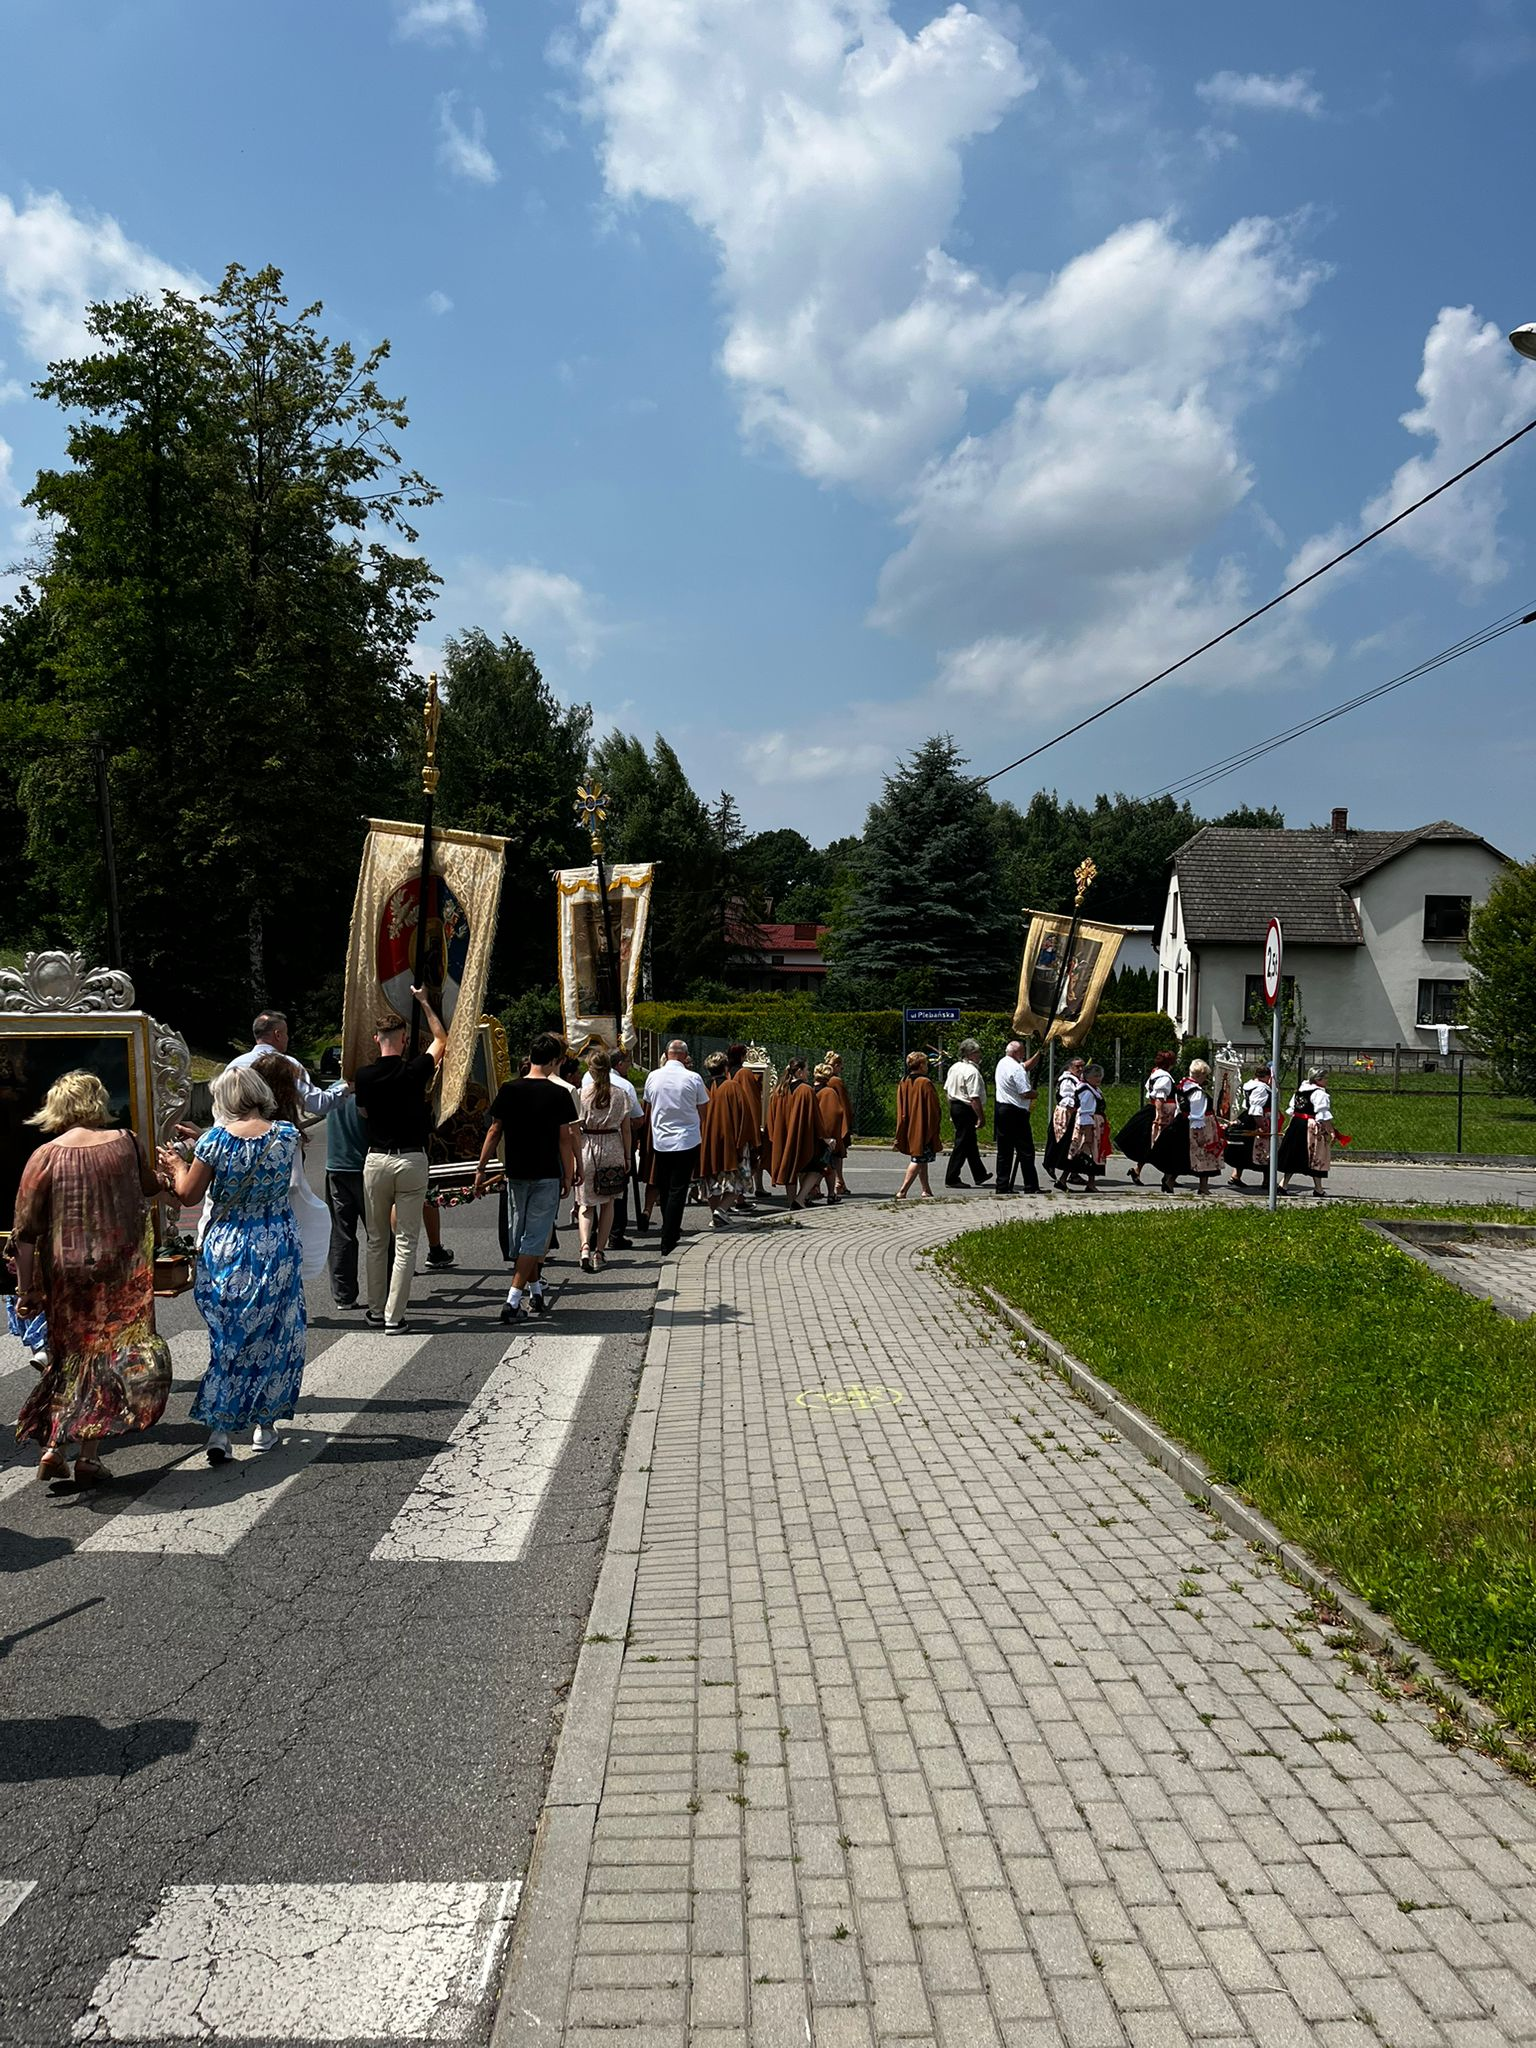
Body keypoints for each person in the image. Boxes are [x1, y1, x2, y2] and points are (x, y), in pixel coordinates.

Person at [12, 1070, 171, 1483]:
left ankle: (52, 1447)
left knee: (69, 1357)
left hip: (67, 1273)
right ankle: (88, 1455)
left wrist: (25, 1289)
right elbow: (151, 1186)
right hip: (121, 1271)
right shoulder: (126, 1142)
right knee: (109, 1358)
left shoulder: (44, 1155)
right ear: (97, 1102)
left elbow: (26, 1233)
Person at [159, 1063, 305, 1463]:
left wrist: (176, 1165)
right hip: (277, 1244)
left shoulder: (215, 1142)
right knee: (276, 1333)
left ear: (223, 1100)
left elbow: (188, 1195)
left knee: (229, 1338)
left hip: (229, 1247)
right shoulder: (287, 1136)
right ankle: (265, 1426)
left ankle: (221, 1429)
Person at [354, 987, 448, 1333]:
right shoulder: (415, 1070)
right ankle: (395, 1316)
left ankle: (376, 1310)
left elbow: (363, 1111)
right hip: (411, 1160)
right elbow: (441, 1039)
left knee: (377, 1240)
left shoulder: (364, 1076)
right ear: (405, 1041)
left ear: (377, 1038)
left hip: (377, 1159)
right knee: (407, 1240)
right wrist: (423, 1001)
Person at [475, 1032, 580, 1320]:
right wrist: (569, 1175)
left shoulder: (509, 1090)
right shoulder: (559, 1094)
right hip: (546, 1171)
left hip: (516, 1172)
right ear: (555, 1061)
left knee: (522, 1236)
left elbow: (494, 1131)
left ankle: (535, 1292)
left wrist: (481, 1168)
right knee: (533, 1238)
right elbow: (564, 1139)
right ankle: (512, 1301)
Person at [252, 1053, 332, 1282]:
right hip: (276, 1225)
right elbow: (294, 1184)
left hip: (242, 1227)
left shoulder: (235, 1126)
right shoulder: (285, 1132)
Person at [643, 1040, 712, 1253]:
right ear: (684, 1056)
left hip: (661, 1139)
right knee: (678, 1189)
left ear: (667, 1054)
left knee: (664, 1187)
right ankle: (669, 1235)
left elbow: (649, 1101)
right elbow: (703, 1109)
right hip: (686, 1139)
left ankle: (669, 1229)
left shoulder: (653, 1076)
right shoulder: (693, 1078)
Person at [227, 1009, 349, 1119]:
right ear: (278, 1035)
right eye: (286, 1033)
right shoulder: (288, 1064)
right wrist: (345, 1088)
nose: (287, 1038)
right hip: (274, 1136)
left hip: (234, 1137)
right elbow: (317, 1104)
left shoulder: (233, 1066)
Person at [578, 1050, 632, 1269]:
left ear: (590, 1070)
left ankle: (584, 1247)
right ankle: (599, 1252)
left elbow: (574, 1128)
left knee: (585, 1203)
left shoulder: (581, 1094)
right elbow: (626, 1130)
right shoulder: (621, 1094)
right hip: (612, 1147)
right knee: (608, 1203)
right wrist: (628, 1155)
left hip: (588, 1147)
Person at [1152, 1058, 1225, 1197]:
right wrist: (1200, 1133)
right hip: (1198, 1125)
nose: (1206, 1078)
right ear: (1200, 1075)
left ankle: (1171, 1180)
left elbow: (1180, 1107)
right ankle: (1202, 1187)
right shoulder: (1197, 1092)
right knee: (1204, 1154)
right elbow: (1198, 1114)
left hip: (1182, 1122)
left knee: (1182, 1156)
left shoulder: (1183, 1085)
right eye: (1205, 1075)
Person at [324, 1089, 366, 1309]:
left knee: (341, 1233)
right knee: (379, 1235)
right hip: (365, 1166)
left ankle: (344, 1294)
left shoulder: (334, 1091)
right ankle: (386, 1289)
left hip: (336, 1167)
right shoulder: (369, 1087)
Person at [699, 1051, 747, 1228]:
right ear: (726, 1067)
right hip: (728, 1141)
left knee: (711, 1179)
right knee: (737, 1179)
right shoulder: (732, 1086)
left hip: (705, 1140)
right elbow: (743, 1114)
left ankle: (715, 1215)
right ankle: (722, 1210)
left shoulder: (701, 1085)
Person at [1116, 1052, 1177, 1186]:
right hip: (1161, 1113)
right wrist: (1160, 1116)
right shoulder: (1164, 1078)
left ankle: (1138, 1170)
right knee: (1164, 1144)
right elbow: (1160, 1098)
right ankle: (1168, 1176)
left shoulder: (1155, 1073)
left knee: (1148, 1144)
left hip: (1153, 1110)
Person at [768, 1059, 822, 1210]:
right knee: (818, 1168)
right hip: (801, 1137)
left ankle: (792, 1202)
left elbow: (771, 1116)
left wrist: (775, 1136)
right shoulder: (806, 1090)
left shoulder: (779, 1090)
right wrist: (824, 1136)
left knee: (790, 1169)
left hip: (783, 1137)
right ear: (799, 1072)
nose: (808, 1073)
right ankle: (799, 1198)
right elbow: (815, 1116)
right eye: (807, 1069)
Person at [991, 1040, 1042, 1196]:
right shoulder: (1016, 1069)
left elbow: (1025, 1066)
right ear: (1016, 1053)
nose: (1023, 1054)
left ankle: (1002, 1185)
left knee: (1004, 1151)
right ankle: (1030, 1185)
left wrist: (1039, 1055)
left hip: (1001, 1109)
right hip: (1016, 1112)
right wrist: (1035, 1093)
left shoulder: (1003, 1062)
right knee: (1026, 1150)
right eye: (1022, 1052)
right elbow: (1025, 1093)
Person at [894, 1052, 944, 1200]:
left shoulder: (904, 1081)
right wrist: (934, 1126)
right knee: (917, 1159)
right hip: (922, 1127)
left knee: (922, 1159)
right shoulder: (925, 1083)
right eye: (926, 1064)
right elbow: (933, 1108)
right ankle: (902, 1191)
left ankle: (926, 1189)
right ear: (921, 1065)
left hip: (909, 1125)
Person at [1279, 1067, 1335, 1197]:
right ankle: (1318, 1189)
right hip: (1311, 1126)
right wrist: (1330, 1130)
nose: (1327, 1081)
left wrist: (1289, 1125)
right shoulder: (1319, 1094)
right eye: (1325, 1078)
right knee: (1316, 1156)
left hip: (1296, 1124)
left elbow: (1293, 1110)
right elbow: (1323, 1115)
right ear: (1318, 1079)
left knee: (1295, 1154)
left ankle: (1284, 1184)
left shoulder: (1300, 1090)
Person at [943, 1039, 990, 1190]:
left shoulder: (954, 1067)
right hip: (966, 1109)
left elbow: (948, 1091)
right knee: (962, 1143)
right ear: (971, 1054)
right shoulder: (972, 1072)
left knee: (969, 1142)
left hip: (956, 1106)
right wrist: (981, 1117)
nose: (980, 1055)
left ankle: (979, 1173)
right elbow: (974, 1097)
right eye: (977, 1052)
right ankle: (952, 1177)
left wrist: (951, 1111)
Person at [1061, 1063, 1109, 1191]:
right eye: (1095, 1076)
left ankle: (1087, 1183)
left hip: (1094, 1125)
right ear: (1087, 1077)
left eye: (1099, 1076)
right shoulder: (1087, 1091)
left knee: (1087, 1154)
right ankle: (1069, 1180)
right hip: (1089, 1126)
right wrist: (1088, 1132)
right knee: (1086, 1154)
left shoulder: (1092, 1089)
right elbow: (1085, 1112)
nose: (1098, 1078)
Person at [1227, 1064, 1274, 1189]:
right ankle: (1266, 1181)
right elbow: (1256, 1109)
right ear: (1267, 1076)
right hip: (1259, 1118)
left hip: (1247, 1116)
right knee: (1264, 1149)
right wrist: (1262, 1125)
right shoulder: (1261, 1088)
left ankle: (1236, 1175)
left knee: (1246, 1148)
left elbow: (1246, 1104)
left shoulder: (1250, 1085)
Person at [1043, 1057, 1085, 1189]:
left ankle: (1073, 1172)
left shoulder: (1077, 1080)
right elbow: (1066, 1098)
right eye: (1077, 1066)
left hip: (1072, 1114)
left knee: (1073, 1143)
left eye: (1082, 1066)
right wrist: (1075, 1107)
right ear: (1069, 1067)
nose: (1080, 1069)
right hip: (1066, 1115)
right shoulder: (1067, 1080)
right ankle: (1052, 1164)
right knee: (1063, 1142)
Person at [812, 1063, 849, 1205]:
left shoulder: (809, 1090)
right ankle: (829, 1193)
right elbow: (835, 1114)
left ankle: (815, 1190)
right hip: (827, 1136)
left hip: (813, 1135)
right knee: (830, 1166)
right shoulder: (829, 1092)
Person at [821, 1051, 854, 1197]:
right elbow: (844, 1103)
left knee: (827, 1154)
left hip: (823, 1120)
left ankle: (838, 1182)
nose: (841, 1070)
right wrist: (848, 1122)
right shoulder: (836, 1081)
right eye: (840, 1067)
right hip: (837, 1122)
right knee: (837, 1154)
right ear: (836, 1066)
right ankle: (838, 1182)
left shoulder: (822, 1079)